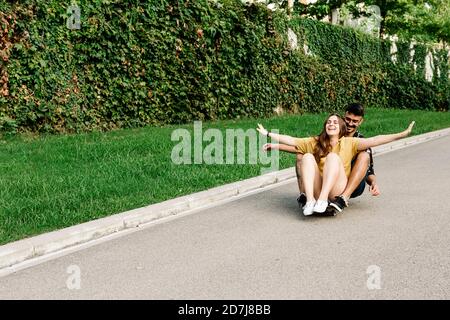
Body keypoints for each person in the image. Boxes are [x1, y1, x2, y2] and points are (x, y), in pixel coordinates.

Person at [257, 114, 415, 216]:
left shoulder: (350, 142)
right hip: (318, 189)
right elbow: (292, 140)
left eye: (335, 122)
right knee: (306, 156)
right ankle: (311, 200)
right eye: (328, 122)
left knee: (332, 157)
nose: (331, 124)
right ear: (325, 127)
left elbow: (375, 140)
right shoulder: (315, 141)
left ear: (341, 128)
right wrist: (268, 134)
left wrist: (402, 134)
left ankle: (325, 200)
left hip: (335, 189)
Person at [269, 103, 378, 213]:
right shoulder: (333, 131)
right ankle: (305, 195)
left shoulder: (360, 140)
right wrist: (277, 147)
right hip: (330, 179)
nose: (350, 123)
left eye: (354, 121)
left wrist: (373, 183)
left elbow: (368, 169)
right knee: (301, 156)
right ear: (344, 116)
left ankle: (343, 198)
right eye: (348, 119)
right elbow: (307, 146)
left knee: (364, 155)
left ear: (360, 121)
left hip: (352, 185)